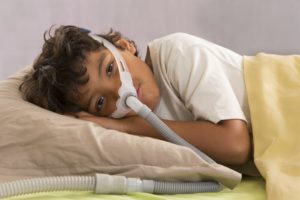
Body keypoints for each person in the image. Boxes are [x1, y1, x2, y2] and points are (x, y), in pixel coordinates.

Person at [19, 25, 251, 167]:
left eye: (110, 68)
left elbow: (236, 145)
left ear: (125, 46)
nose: (118, 90)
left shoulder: (176, 53)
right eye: (100, 102)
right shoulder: (129, 134)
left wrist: (136, 126)